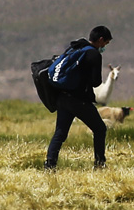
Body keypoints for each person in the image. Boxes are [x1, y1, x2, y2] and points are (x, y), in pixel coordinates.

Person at [45, 25, 112, 171]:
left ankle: (50, 165)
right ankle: (99, 164)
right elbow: (96, 82)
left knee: (60, 133)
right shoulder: (94, 54)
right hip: (79, 100)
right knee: (100, 128)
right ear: (100, 40)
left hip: (62, 97)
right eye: (105, 43)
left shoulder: (75, 49)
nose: (104, 47)